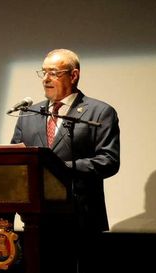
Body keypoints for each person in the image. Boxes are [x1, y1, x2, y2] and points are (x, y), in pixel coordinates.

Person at [9, 49, 121, 235]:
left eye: (53, 73)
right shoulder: (29, 113)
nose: (45, 79)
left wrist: (59, 167)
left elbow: (109, 160)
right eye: (43, 72)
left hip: (81, 218)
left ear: (74, 75)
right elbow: (15, 159)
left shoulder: (99, 112)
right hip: (36, 220)